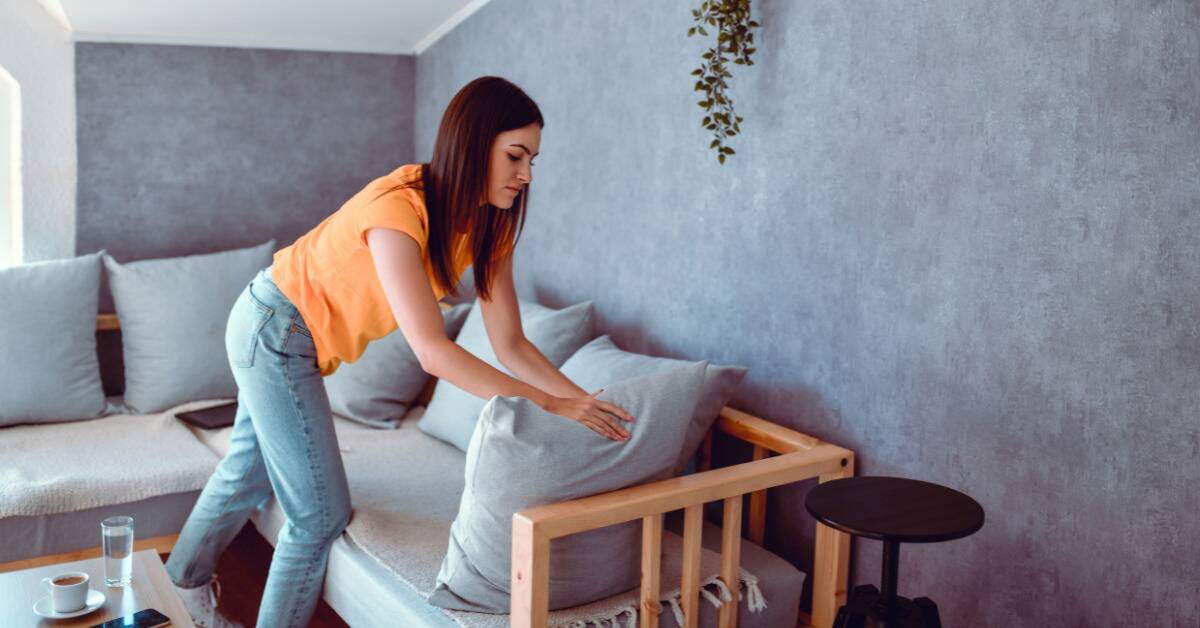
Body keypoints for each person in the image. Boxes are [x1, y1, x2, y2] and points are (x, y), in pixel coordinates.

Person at [164, 76, 635, 628]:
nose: (526, 175)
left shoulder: (492, 225)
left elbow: (511, 342)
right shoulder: (399, 207)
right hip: (272, 327)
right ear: (473, 143)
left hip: (288, 336)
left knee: (246, 470)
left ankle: (180, 589)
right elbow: (433, 351)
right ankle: (186, 593)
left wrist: (586, 404)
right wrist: (550, 406)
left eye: (532, 159)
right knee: (319, 516)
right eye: (515, 156)